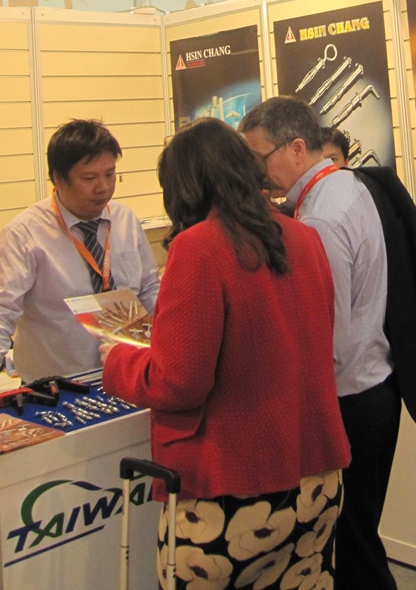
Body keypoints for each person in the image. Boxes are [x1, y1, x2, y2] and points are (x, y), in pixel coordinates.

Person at [101, 117, 350, 590]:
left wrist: (116, 360)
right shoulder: (303, 236)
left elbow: (178, 382)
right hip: (316, 477)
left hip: (232, 493)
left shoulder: (198, 247)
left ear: (184, 186)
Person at [239, 95, 400, 590]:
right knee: (357, 540)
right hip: (372, 389)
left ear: (296, 148)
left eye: (260, 157)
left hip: (349, 401)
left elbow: (327, 335)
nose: (256, 171)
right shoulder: (344, 187)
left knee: (353, 550)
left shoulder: (319, 220)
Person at [0, 118, 160, 382]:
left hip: (130, 373)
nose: (103, 187)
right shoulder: (24, 235)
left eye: (110, 174)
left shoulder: (125, 219)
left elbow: (148, 287)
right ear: (59, 178)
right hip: (58, 385)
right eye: (89, 178)